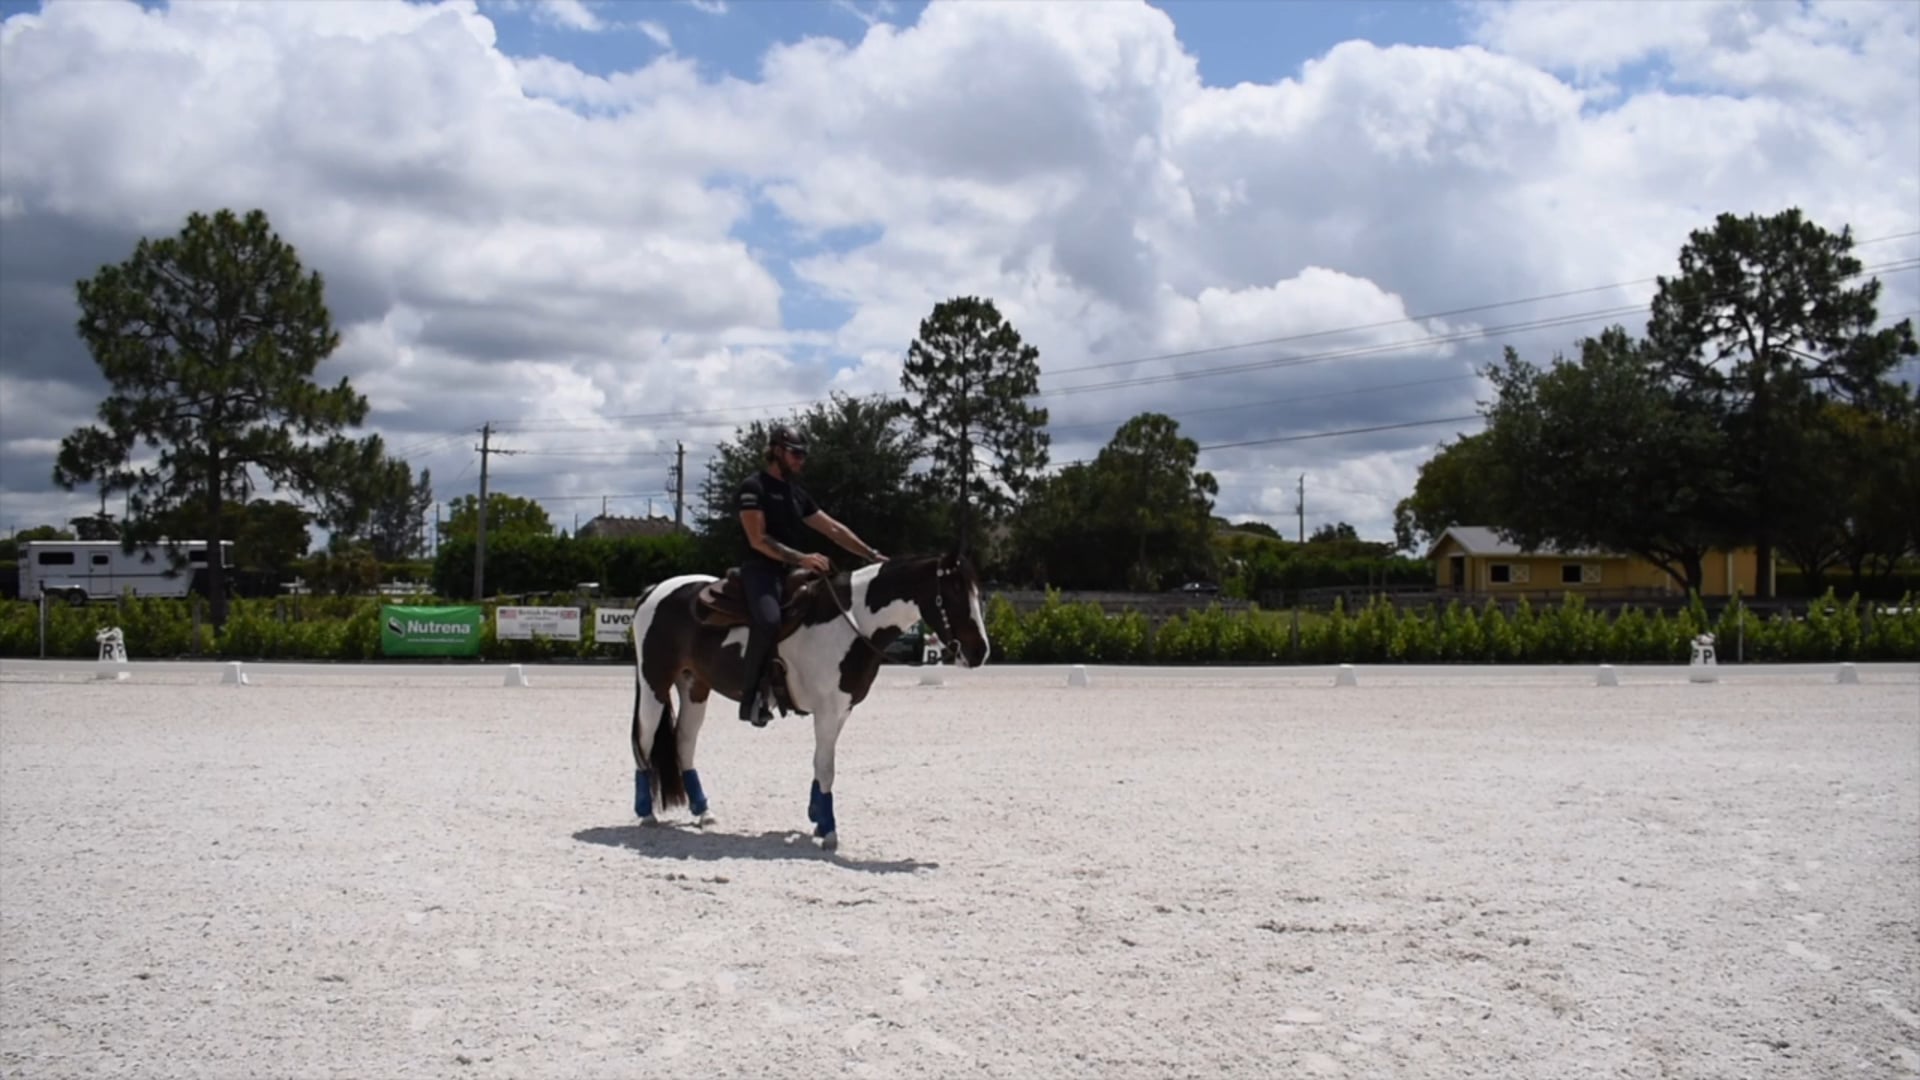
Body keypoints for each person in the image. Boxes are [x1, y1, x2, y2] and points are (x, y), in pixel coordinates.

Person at [733, 425, 886, 725]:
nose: (801, 461)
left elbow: (833, 528)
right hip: (759, 570)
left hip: (791, 572)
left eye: (803, 455)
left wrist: (870, 554)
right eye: (796, 454)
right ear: (777, 451)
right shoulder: (754, 488)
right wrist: (803, 558)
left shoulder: (796, 494)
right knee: (768, 621)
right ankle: (752, 697)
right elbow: (758, 539)